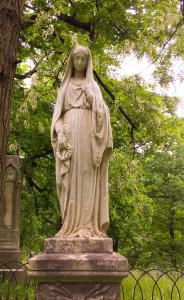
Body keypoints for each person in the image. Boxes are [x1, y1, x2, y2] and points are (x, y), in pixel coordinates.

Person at [51, 45, 113, 238]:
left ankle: (87, 225)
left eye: (83, 59)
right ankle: (69, 226)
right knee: (69, 180)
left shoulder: (93, 87)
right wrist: (60, 131)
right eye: (76, 58)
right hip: (69, 135)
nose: (79, 62)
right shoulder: (66, 86)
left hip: (88, 136)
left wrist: (91, 97)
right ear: (72, 61)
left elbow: (103, 113)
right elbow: (57, 116)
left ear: (87, 62)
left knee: (87, 176)